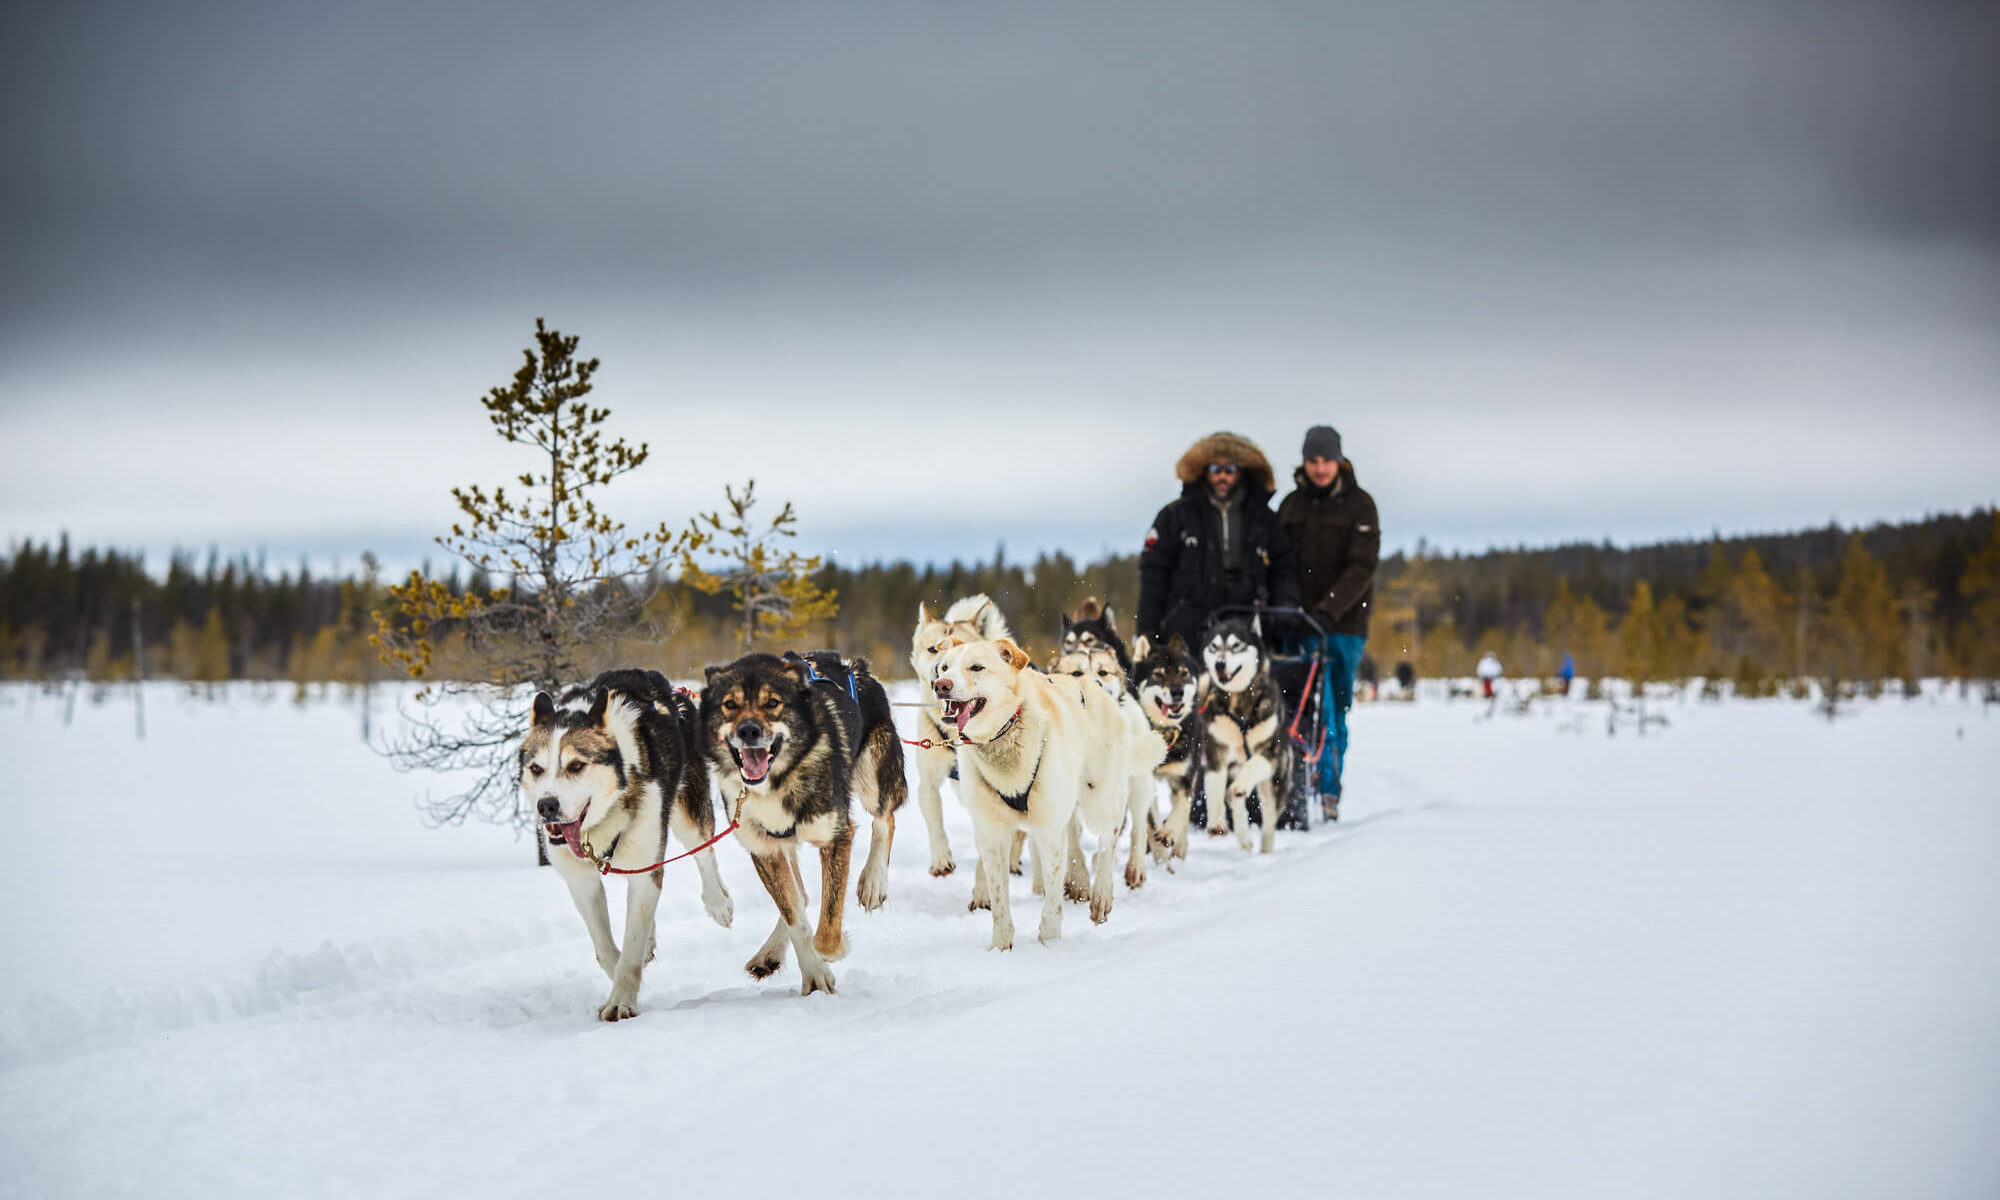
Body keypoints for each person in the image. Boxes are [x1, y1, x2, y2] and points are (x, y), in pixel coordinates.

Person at [1276, 425, 1379, 820]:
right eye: (1313, 461)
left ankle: (1330, 788)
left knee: (1334, 707)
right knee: (1292, 706)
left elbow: (1361, 568)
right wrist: (1287, 608)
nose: (1320, 469)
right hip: (1296, 623)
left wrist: (1328, 610)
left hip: (1343, 625)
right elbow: (1279, 561)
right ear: (1304, 462)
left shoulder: (1360, 506)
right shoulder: (1291, 506)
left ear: (1339, 461)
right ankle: (1292, 780)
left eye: (1326, 461)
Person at [1136, 431, 1300, 652]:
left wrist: (1286, 607)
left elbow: (1284, 567)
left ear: (1241, 472)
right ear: (1203, 472)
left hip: (1249, 624)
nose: (1222, 476)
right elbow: (1154, 575)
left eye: (1230, 469)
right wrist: (1147, 630)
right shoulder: (1175, 516)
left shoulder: (1263, 518)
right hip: (1188, 627)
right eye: (1215, 469)